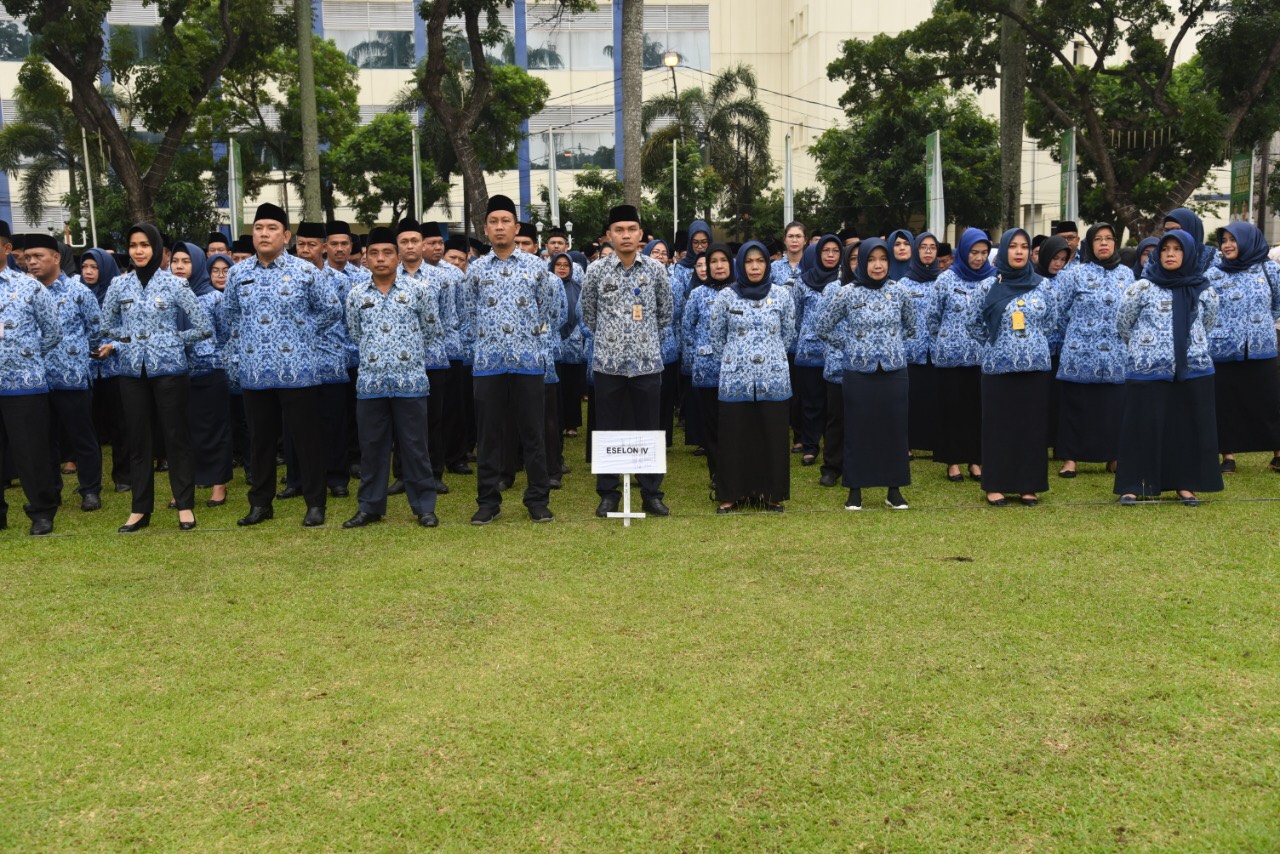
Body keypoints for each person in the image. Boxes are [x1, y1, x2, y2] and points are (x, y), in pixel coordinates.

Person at [224, 203, 343, 527]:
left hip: (298, 371)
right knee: (260, 442)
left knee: (307, 440)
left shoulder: (305, 271)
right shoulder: (237, 273)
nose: (264, 234)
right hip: (254, 371)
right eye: (259, 228)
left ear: (286, 236)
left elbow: (332, 309)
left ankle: (315, 503)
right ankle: (261, 504)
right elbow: (230, 315)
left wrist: (304, 332)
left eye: (272, 228)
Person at [99, 224, 213, 532]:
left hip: (170, 371)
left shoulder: (175, 284)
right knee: (138, 441)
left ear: (157, 249)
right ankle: (139, 509)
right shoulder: (119, 284)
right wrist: (126, 339)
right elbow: (105, 326)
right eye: (133, 245)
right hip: (131, 372)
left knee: (176, 438)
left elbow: (203, 327)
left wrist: (172, 340)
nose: (138, 251)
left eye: (145, 245)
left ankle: (185, 505)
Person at [459, 194, 557, 525]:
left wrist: (525, 340)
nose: (500, 227)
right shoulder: (475, 269)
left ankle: (537, 499)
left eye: (506, 222)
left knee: (533, 433)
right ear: (486, 229)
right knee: (489, 435)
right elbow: (468, 313)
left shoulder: (536, 267)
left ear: (516, 228)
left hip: (527, 361)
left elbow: (546, 310)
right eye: (493, 222)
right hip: (488, 363)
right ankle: (488, 501)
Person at [341, 227, 443, 529]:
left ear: (398, 257)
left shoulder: (419, 290)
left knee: (415, 447)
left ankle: (424, 507)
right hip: (371, 384)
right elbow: (355, 333)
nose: (381, 259)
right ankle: (370, 506)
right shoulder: (356, 295)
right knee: (372, 448)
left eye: (387, 253)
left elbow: (429, 330)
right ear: (366, 258)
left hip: (410, 382)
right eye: (374, 253)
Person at [1115, 229, 1222, 505]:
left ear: (1189, 253)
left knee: (1185, 429)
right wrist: (1148, 349)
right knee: (1141, 428)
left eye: (1177, 249)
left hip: (1193, 368)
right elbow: (1124, 324)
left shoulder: (1204, 290)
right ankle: (1134, 484)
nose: (1170, 254)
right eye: (1165, 249)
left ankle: (1185, 484)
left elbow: (1208, 324)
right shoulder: (1141, 288)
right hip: (1147, 369)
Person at [581, 205, 673, 517]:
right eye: (619, 230)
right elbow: (589, 315)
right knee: (608, 429)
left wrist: (641, 337)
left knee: (649, 428)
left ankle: (651, 492)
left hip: (647, 363)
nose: (625, 235)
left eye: (631, 229)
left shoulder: (656, 270)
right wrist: (614, 338)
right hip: (608, 364)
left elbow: (665, 314)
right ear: (609, 234)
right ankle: (608, 494)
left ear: (641, 234)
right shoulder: (596, 271)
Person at [818, 238, 915, 510]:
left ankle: (894, 490)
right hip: (858, 373)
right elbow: (823, 326)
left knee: (894, 429)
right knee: (858, 430)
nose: (877, 265)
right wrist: (850, 345)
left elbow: (911, 326)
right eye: (871, 260)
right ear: (862, 263)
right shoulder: (847, 293)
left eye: (883, 259)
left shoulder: (899, 291)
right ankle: (855, 490)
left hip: (894, 372)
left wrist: (891, 345)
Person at [968, 227, 1058, 506]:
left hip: (1035, 367)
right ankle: (996, 485)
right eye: (1012, 246)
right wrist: (998, 344)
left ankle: (1028, 485)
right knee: (999, 428)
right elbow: (974, 323)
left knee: (1031, 428)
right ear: (1004, 249)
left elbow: (1051, 322)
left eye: (1024, 247)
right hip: (998, 368)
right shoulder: (987, 286)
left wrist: (1030, 343)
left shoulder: (1043, 285)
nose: (1018, 252)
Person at [709, 241, 796, 513]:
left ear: (767, 264)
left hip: (773, 377)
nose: (755, 266)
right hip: (736, 379)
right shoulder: (727, 296)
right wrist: (737, 359)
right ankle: (731, 493)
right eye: (749, 261)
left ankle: (771, 494)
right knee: (734, 436)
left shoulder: (782, 295)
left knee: (772, 435)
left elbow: (788, 335)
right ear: (741, 265)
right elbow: (717, 337)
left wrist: (770, 356)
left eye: (760, 261)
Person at [26, 233, 103, 511]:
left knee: (82, 437)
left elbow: (96, 332)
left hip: (72, 377)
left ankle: (90, 490)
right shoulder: (25, 292)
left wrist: (82, 362)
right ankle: (51, 491)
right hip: (35, 379)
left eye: (38, 256)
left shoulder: (78, 292)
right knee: (44, 440)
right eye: (28, 257)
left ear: (56, 258)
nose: (32, 262)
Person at [1054, 224, 1132, 477]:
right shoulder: (1073, 273)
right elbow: (1059, 311)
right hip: (1079, 353)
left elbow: (1132, 313)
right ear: (1090, 244)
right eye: (1098, 239)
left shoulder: (1127, 275)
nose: (1104, 243)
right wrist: (1075, 336)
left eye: (1109, 238)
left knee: (1113, 408)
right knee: (1076, 407)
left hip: (1116, 355)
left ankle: (1114, 457)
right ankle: (1070, 459)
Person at [0, 231, 61, 535]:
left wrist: (27, 355)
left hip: (24, 382)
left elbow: (53, 331)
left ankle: (41, 512)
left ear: (7, 249)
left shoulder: (29, 286)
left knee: (31, 452)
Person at [1206, 221, 1280, 473]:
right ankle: (1228, 456)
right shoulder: (1213, 273)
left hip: (1262, 348)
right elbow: (1206, 308)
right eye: (1224, 241)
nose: (1227, 245)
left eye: (1233, 239)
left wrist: (1258, 326)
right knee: (1226, 404)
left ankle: (1278, 454)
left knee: (1270, 401)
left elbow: (1277, 304)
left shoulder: (1269, 269)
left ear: (1248, 240)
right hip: (1223, 351)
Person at [170, 241, 232, 507]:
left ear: (197, 264)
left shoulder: (214, 298)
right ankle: (184, 487)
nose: (179, 266)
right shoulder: (166, 297)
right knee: (181, 433)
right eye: (175, 261)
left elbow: (227, 335)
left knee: (214, 430)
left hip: (209, 371)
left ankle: (218, 485)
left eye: (186, 261)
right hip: (174, 372)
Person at [929, 227, 990, 483]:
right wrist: (947, 340)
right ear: (963, 251)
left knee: (977, 410)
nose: (978, 258)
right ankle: (952, 462)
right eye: (974, 252)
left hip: (981, 358)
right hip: (950, 357)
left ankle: (976, 460)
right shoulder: (945, 279)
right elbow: (933, 318)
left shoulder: (992, 279)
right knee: (952, 410)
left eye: (983, 252)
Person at [82, 247, 132, 493]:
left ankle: (123, 476)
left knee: (120, 426)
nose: (89, 272)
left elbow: (129, 330)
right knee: (89, 427)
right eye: (84, 267)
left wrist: (113, 345)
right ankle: (90, 480)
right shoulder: (79, 295)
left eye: (94, 267)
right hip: (88, 370)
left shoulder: (118, 294)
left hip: (115, 369)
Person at [791, 233, 842, 467]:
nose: (830, 255)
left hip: (836, 351)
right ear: (818, 253)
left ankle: (833, 445)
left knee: (834, 405)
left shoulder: (844, 280)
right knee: (811, 402)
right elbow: (797, 316)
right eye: (825, 251)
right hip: (809, 351)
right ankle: (810, 445)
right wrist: (809, 334)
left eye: (835, 251)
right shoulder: (802, 282)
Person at [683, 248, 731, 490]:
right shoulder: (698, 294)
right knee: (712, 425)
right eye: (713, 261)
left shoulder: (739, 293)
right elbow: (687, 328)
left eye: (723, 260)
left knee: (734, 424)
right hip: (707, 370)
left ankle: (736, 471)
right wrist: (699, 354)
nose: (719, 266)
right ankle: (717, 473)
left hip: (736, 371)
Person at [899, 231, 941, 456]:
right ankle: (908, 443)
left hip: (937, 351)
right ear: (916, 250)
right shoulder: (904, 284)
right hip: (912, 351)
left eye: (932, 247)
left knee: (935, 398)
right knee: (910, 399)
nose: (928, 251)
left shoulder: (944, 281)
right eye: (923, 247)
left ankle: (935, 442)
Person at [643, 238, 683, 448]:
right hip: (642, 348)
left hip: (666, 347)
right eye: (655, 252)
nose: (659, 256)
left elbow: (677, 312)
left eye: (663, 253)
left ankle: (664, 439)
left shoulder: (674, 282)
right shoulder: (638, 279)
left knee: (665, 395)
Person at [771, 221, 807, 288]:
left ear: (805, 240)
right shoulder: (774, 267)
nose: (794, 240)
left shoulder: (811, 266)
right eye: (790, 236)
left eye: (798, 236)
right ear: (784, 240)